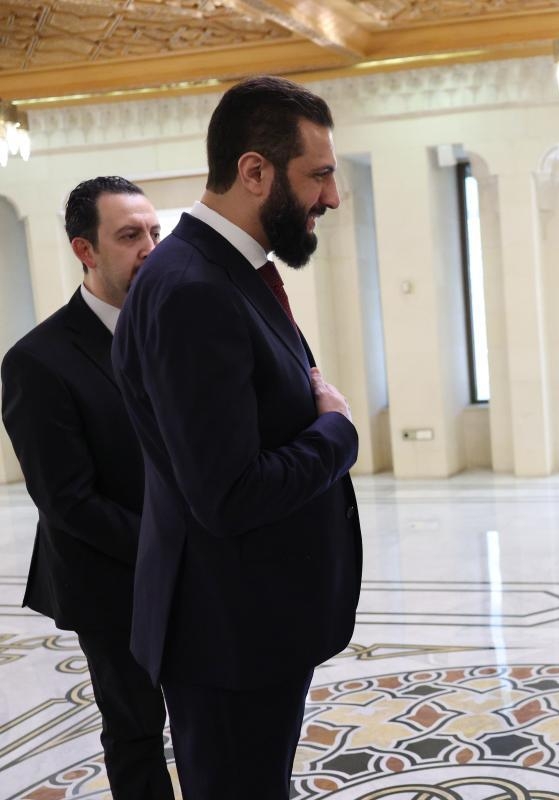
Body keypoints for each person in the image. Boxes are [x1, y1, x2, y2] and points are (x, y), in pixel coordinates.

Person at [111, 76, 361, 799]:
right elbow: (228, 493)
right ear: (255, 171)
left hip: (247, 626)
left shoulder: (224, 272)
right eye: (320, 175)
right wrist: (336, 433)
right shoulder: (193, 290)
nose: (332, 198)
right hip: (227, 640)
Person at [1, 177, 173, 799]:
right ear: (86, 250)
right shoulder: (38, 361)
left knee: (213, 714)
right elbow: (68, 502)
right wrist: (172, 548)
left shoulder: (177, 333)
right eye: (130, 236)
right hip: (110, 577)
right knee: (134, 728)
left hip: (193, 568)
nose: (150, 247)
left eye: (155, 232)